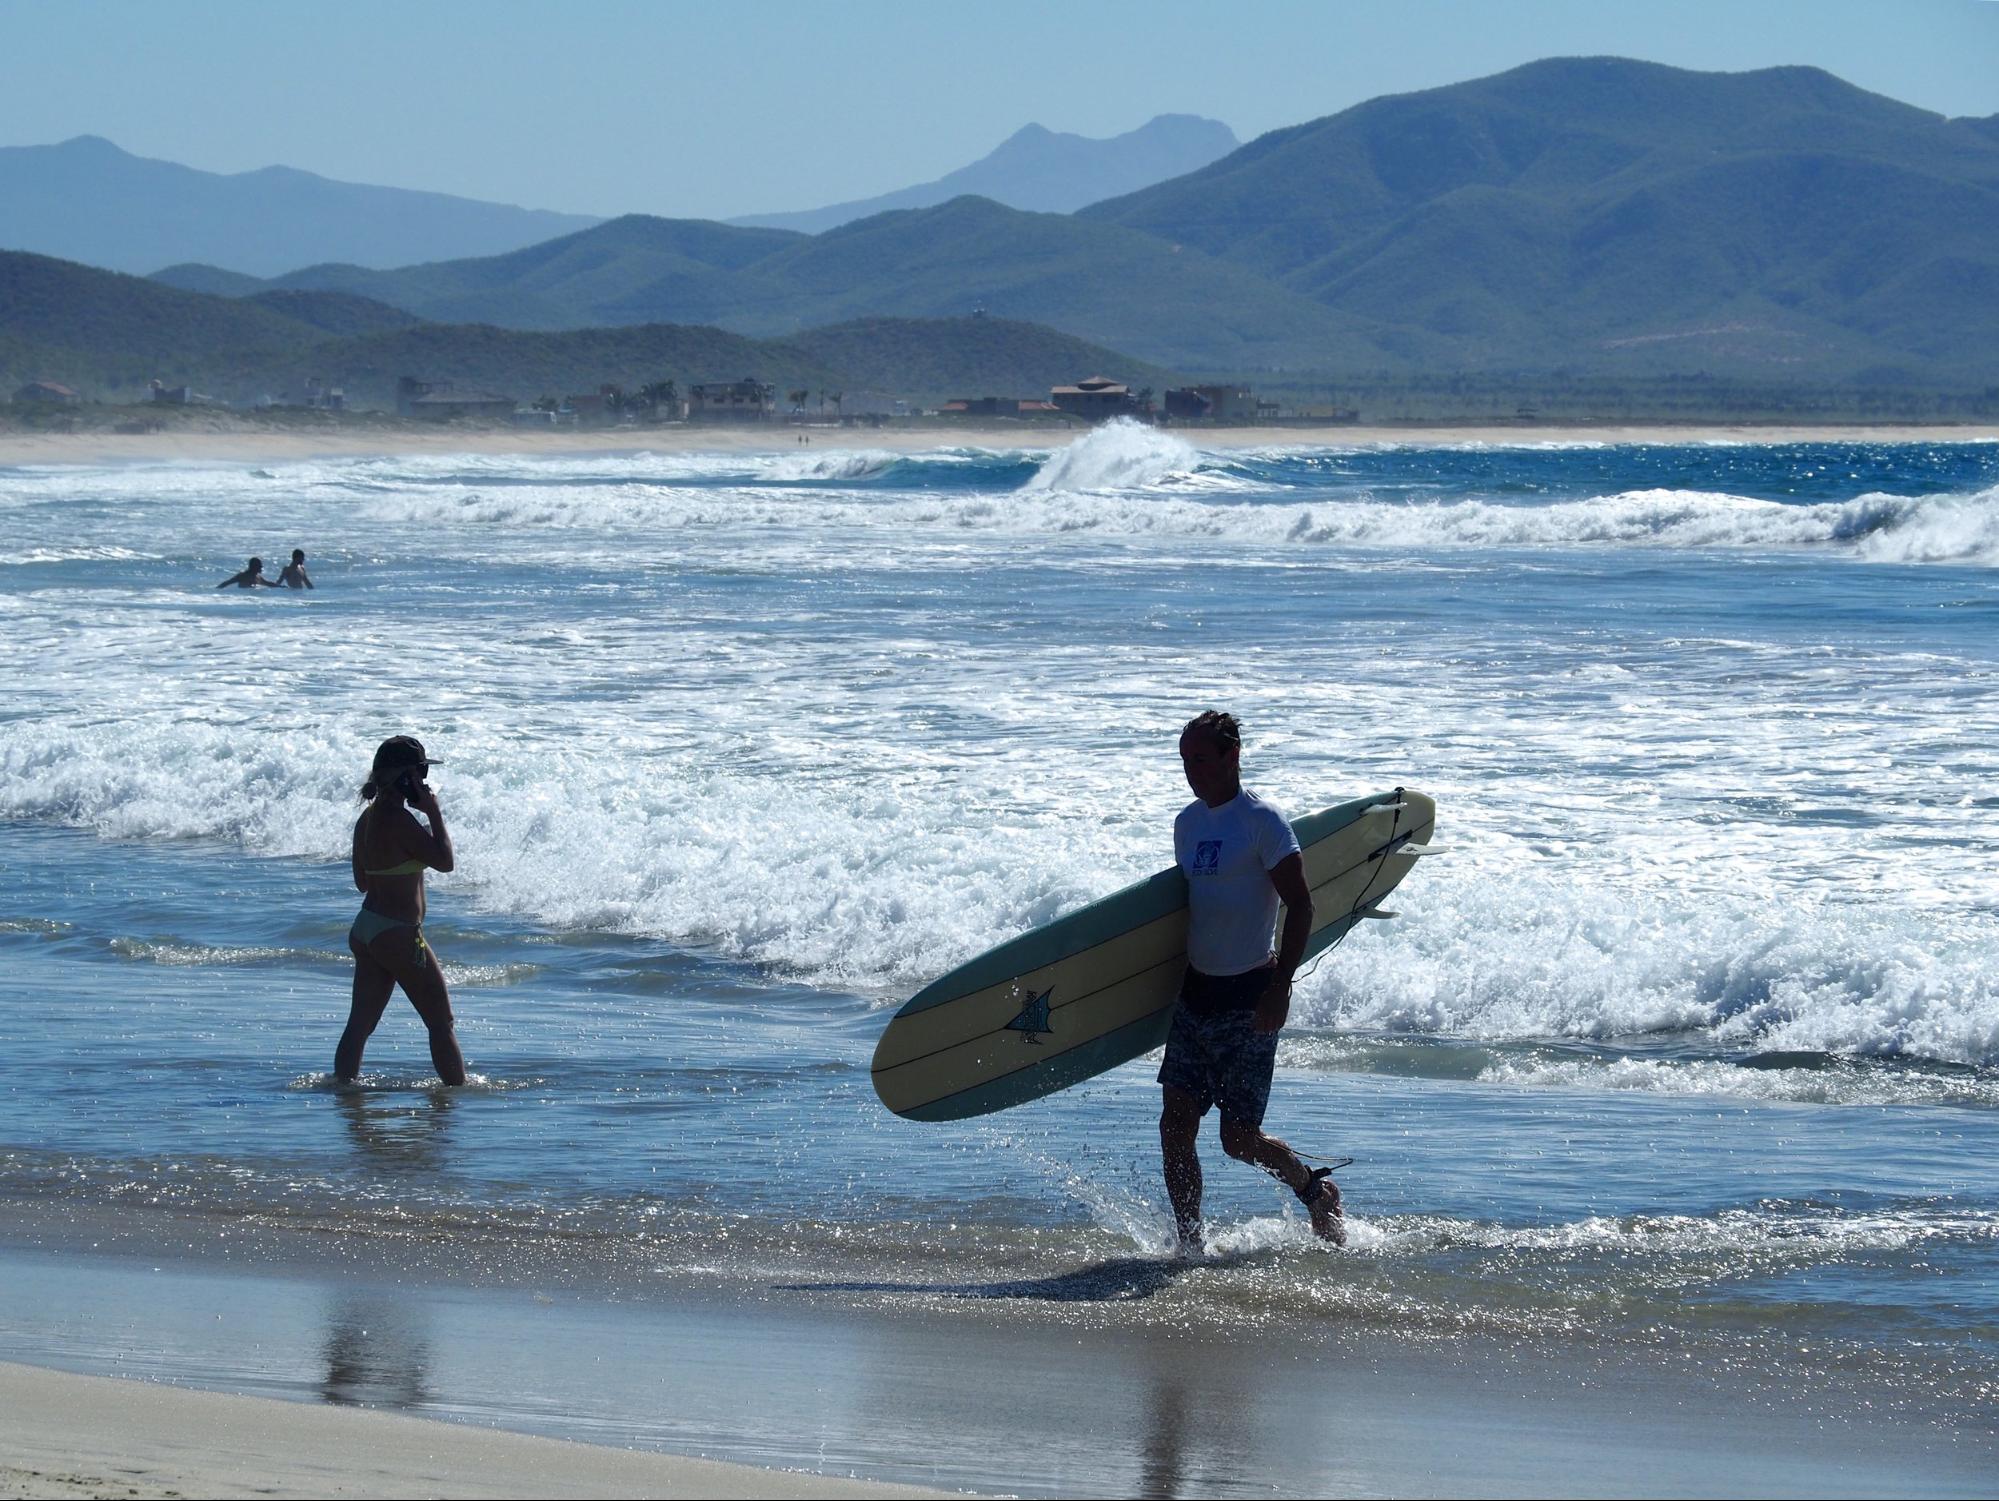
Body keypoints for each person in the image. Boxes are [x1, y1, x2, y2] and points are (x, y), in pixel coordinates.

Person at [1158, 710, 1344, 1248]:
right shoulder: (1187, 823)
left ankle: (1314, 1191)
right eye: (1184, 761)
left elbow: (1301, 906)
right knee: (1175, 1127)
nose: (1191, 771)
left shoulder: (1262, 821)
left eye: (1200, 759)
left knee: (1238, 1139)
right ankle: (1189, 1244)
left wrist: (1280, 986)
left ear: (1232, 756)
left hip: (1248, 999)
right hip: (1196, 997)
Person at [337, 735, 468, 1086]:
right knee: (441, 1022)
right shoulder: (400, 820)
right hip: (398, 933)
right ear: (407, 776)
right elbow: (445, 862)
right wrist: (435, 814)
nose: (424, 781)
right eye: (421, 772)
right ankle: (456, 1101)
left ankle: (343, 1092)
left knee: (360, 1025)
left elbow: (362, 882)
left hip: (367, 928)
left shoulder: (366, 820)